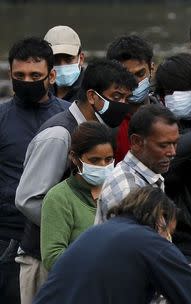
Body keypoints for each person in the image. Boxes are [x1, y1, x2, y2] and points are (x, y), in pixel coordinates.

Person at [15, 59, 136, 303]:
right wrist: (75, 228)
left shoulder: (99, 131)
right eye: (117, 96)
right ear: (92, 96)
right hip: (44, 260)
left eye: (126, 99)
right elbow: (27, 199)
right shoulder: (59, 135)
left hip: (83, 260)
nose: (123, 105)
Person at [33, 186, 191, 304]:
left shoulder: (96, 232)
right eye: (169, 233)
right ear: (161, 218)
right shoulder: (149, 241)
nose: (168, 240)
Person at [0, 37, 69, 304]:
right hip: (9, 239)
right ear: (10, 74)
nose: (27, 81)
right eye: (20, 75)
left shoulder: (71, 117)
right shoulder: (2, 119)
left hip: (59, 237)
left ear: (51, 76)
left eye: (35, 75)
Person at [40, 122, 114, 271]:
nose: (103, 166)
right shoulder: (59, 198)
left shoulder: (116, 190)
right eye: (94, 160)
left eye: (108, 159)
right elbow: (52, 258)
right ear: (74, 157)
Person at [106, 35, 159, 163]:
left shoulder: (165, 114)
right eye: (126, 76)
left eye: (140, 74)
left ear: (151, 69)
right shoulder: (107, 125)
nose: (134, 83)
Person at [44, 25, 85, 102]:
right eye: (55, 60)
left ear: (81, 59)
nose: (62, 66)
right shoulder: (41, 93)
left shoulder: (92, 92)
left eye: (68, 59)